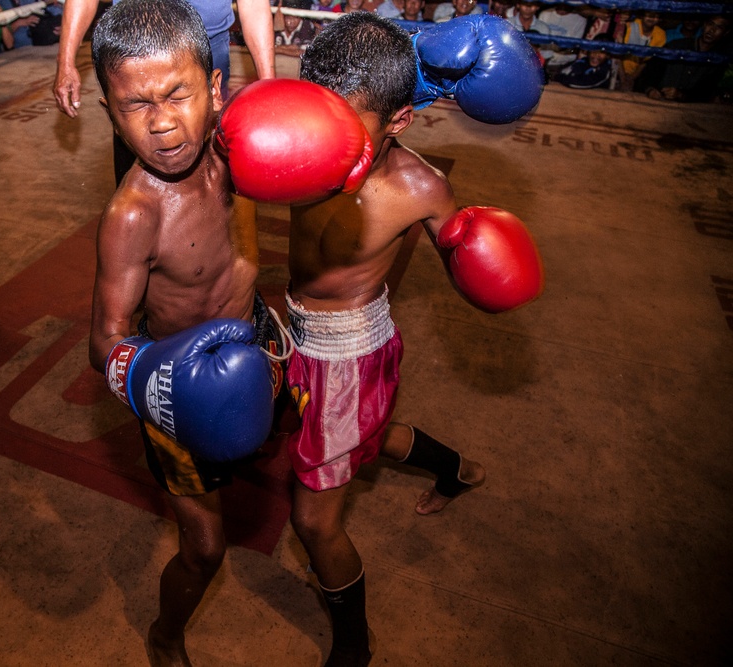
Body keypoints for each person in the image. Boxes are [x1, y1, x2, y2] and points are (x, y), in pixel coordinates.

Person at [269, 13, 541, 664]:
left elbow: (465, 256)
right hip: (295, 326)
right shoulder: (293, 136)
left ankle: (354, 645)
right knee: (364, 439)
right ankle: (458, 469)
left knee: (313, 520)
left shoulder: (421, 187)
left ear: (397, 122)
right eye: (318, 114)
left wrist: (480, 252)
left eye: (350, 124)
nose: (324, 137)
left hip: (350, 353)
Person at [87, 0, 284, 663]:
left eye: (177, 93)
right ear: (110, 113)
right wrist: (165, 380)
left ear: (217, 89)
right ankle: (165, 633)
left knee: (314, 465)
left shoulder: (239, 151)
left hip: (256, 337)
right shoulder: (133, 215)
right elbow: (104, 340)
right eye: (134, 105)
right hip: (177, 380)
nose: (163, 123)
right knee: (204, 548)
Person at [53, 0, 275, 185]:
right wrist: (65, 60)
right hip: (132, 54)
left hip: (207, 45)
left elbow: (254, 4)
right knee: (137, 164)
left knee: (214, 164)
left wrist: (268, 84)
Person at [641, 14, 731, 102]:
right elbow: (649, 73)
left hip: (690, 111)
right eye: (710, 24)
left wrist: (681, 95)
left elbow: (707, 92)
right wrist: (650, 89)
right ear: (704, 24)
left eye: (719, 27)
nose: (712, 30)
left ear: (726, 33)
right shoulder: (676, 46)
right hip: (660, 103)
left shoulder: (719, 59)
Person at [616, 11, 665, 92]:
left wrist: (631, 78)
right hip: (617, 68)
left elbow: (645, 61)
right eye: (649, 14)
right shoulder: (630, 25)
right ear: (642, 16)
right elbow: (617, 54)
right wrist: (623, 78)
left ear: (659, 19)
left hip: (637, 74)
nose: (652, 18)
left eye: (656, 16)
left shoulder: (660, 35)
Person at [538, 2, 587, 77]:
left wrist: (552, 47)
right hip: (540, 61)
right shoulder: (545, 14)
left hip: (564, 63)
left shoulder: (580, 19)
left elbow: (573, 47)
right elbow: (538, 41)